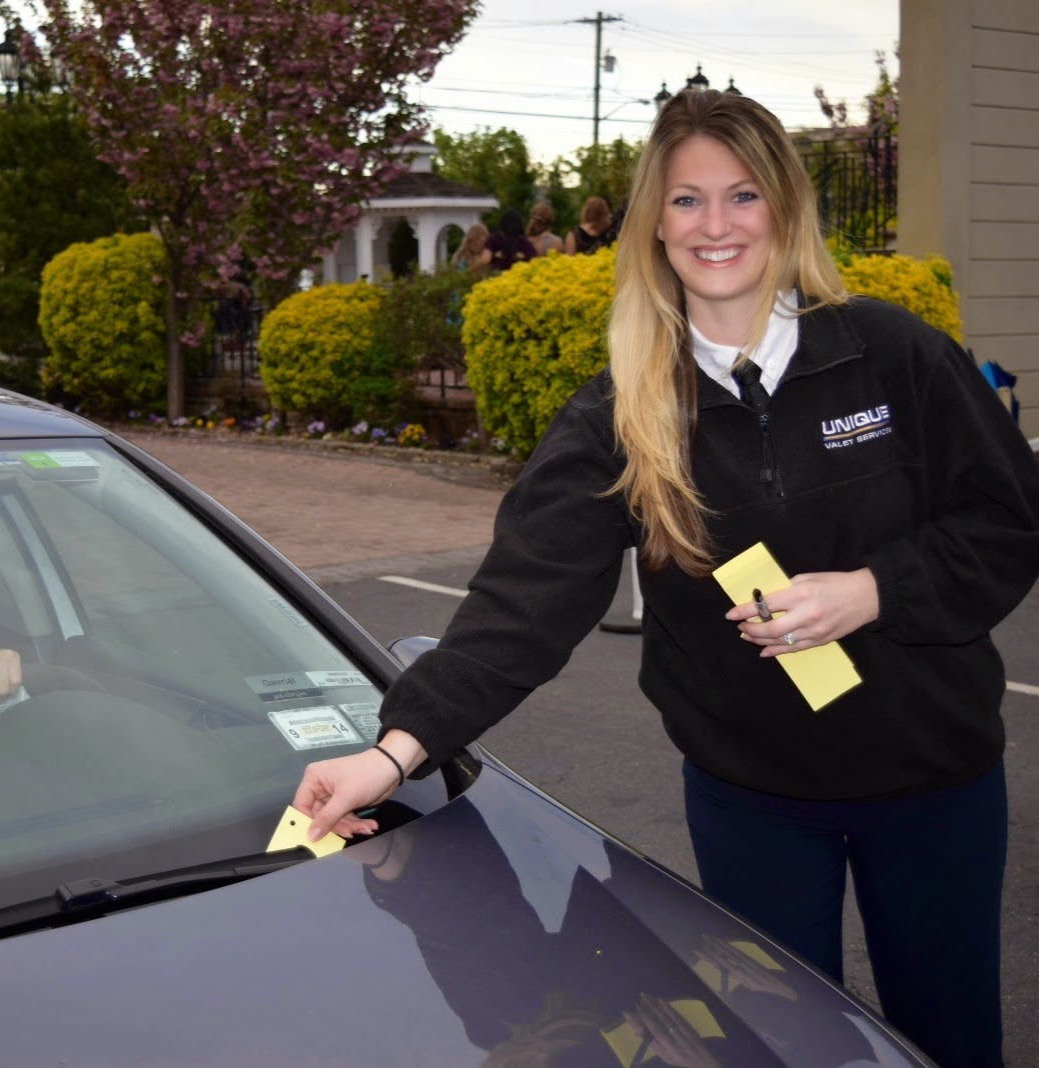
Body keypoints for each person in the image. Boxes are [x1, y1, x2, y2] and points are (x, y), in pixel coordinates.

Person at [293, 88, 1039, 1068]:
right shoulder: (620, 409)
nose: (714, 225)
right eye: (685, 201)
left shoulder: (891, 357)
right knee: (775, 1048)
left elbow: (1006, 519)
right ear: (650, 223)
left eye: (740, 195)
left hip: (933, 786)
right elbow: (522, 601)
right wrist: (391, 756)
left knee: (946, 1041)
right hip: (751, 801)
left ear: (782, 208)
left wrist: (870, 591)